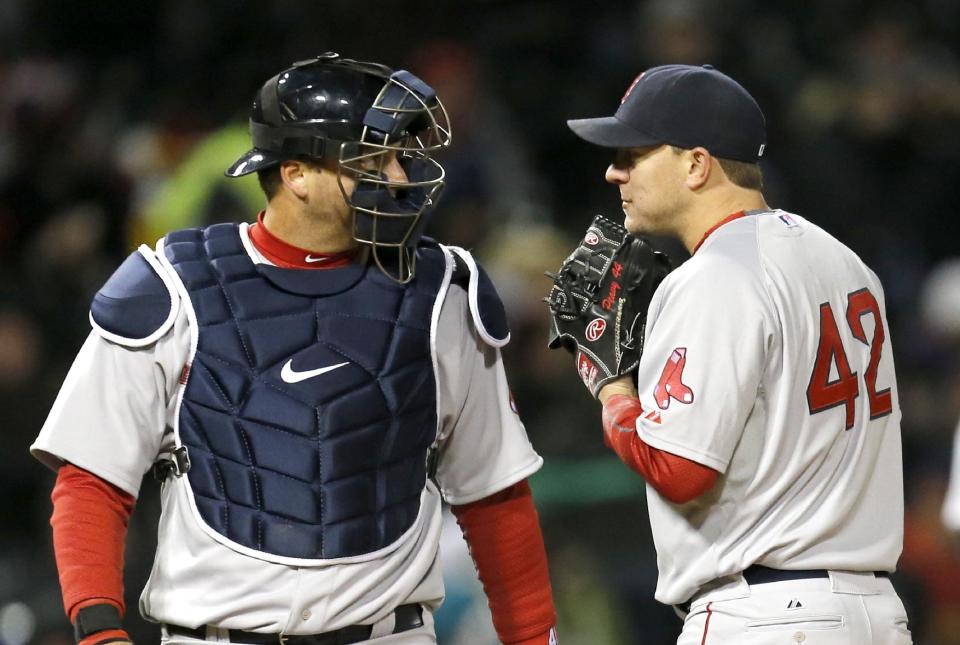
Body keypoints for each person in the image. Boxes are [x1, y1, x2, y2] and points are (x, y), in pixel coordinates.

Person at [31, 53, 558, 645]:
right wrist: (100, 630)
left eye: (397, 158)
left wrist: (535, 639)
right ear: (297, 174)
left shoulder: (442, 292)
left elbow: (494, 495)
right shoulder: (170, 287)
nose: (401, 178)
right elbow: (92, 480)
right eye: (372, 160)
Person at [564, 64, 912, 644]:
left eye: (633, 154)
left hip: (769, 616)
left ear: (696, 164)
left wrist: (611, 389)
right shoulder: (847, 262)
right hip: (875, 613)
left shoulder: (716, 276)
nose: (613, 171)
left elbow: (681, 470)